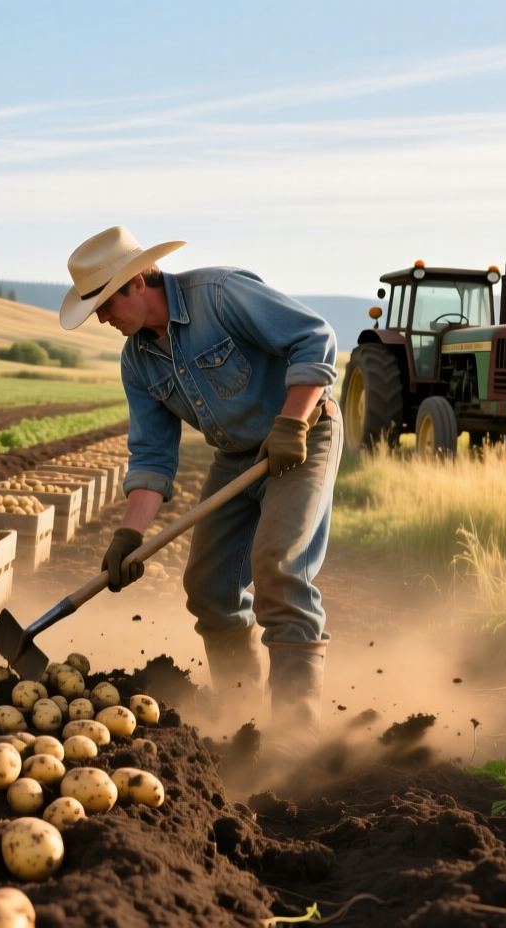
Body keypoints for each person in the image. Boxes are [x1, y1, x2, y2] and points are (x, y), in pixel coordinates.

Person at [58, 226, 341, 763]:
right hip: (238, 454)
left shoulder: (220, 294)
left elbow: (316, 336)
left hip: (303, 434)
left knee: (278, 564)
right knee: (208, 584)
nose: (100, 318)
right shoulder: (138, 362)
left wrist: (291, 422)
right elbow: (152, 459)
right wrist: (128, 535)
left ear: (137, 282)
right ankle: (240, 709)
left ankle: (295, 733)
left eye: (103, 303)